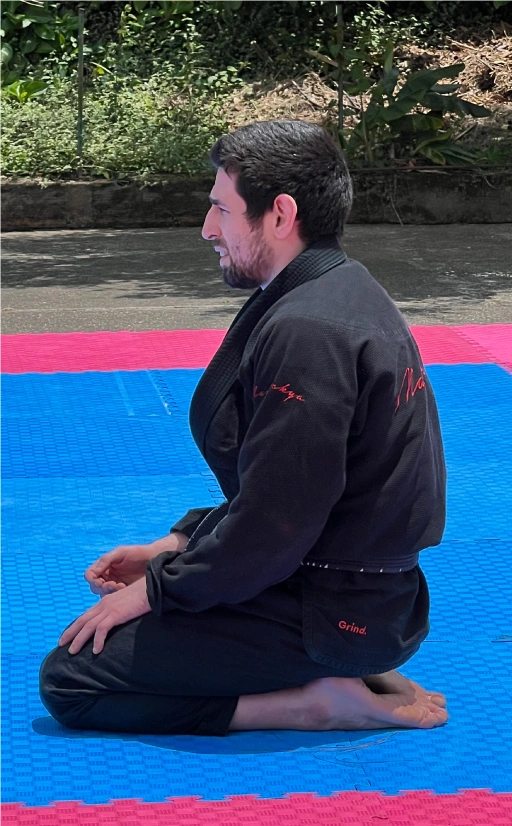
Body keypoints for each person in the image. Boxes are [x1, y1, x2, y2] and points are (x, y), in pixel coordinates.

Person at [40, 120, 448, 736]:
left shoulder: (309, 330)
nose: (208, 230)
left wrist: (161, 588)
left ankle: (314, 702)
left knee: (72, 680)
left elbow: (278, 520)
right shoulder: (336, 288)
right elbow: (298, 494)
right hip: (360, 595)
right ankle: (355, 669)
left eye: (220, 209)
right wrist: (176, 546)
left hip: (334, 611)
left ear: (280, 214)